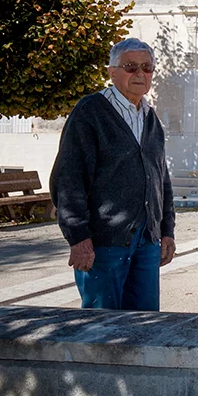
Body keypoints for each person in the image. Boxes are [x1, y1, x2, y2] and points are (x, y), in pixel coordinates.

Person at [50, 38, 176, 311]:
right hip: (103, 243)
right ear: (112, 71)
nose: (140, 74)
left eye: (147, 67)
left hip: (146, 240)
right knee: (101, 328)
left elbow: (161, 179)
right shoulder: (90, 112)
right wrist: (78, 237)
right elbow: (69, 178)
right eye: (130, 67)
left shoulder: (150, 117)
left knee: (144, 326)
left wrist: (166, 230)